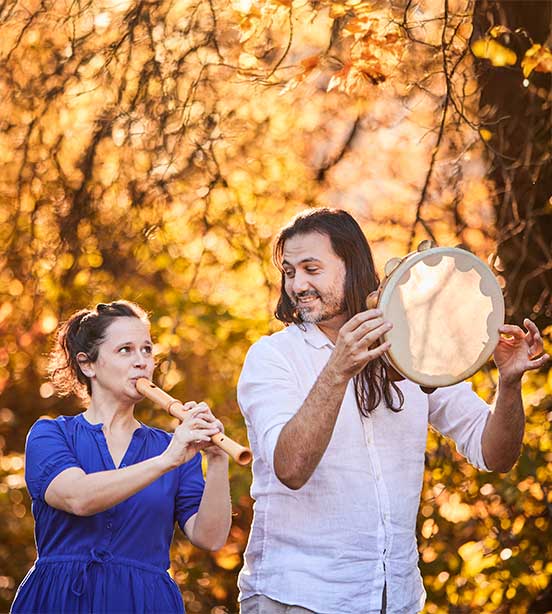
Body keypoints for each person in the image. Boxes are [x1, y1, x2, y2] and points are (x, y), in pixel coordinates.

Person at [236, 208, 549, 614]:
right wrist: (338, 370)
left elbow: (495, 454)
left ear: (353, 265)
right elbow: (290, 468)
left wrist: (508, 384)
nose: (297, 285)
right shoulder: (272, 357)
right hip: (298, 596)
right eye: (290, 271)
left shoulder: (411, 347)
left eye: (311, 269)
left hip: (394, 598)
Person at [11, 300, 232, 613]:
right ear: (88, 364)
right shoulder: (51, 434)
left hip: (144, 603)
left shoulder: (175, 448)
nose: (141, 361)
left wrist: (218, 459)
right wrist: (166, 460)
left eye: (146, 350)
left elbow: (210, 538)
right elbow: (79, 498)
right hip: (60, 600)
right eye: (125, 350)